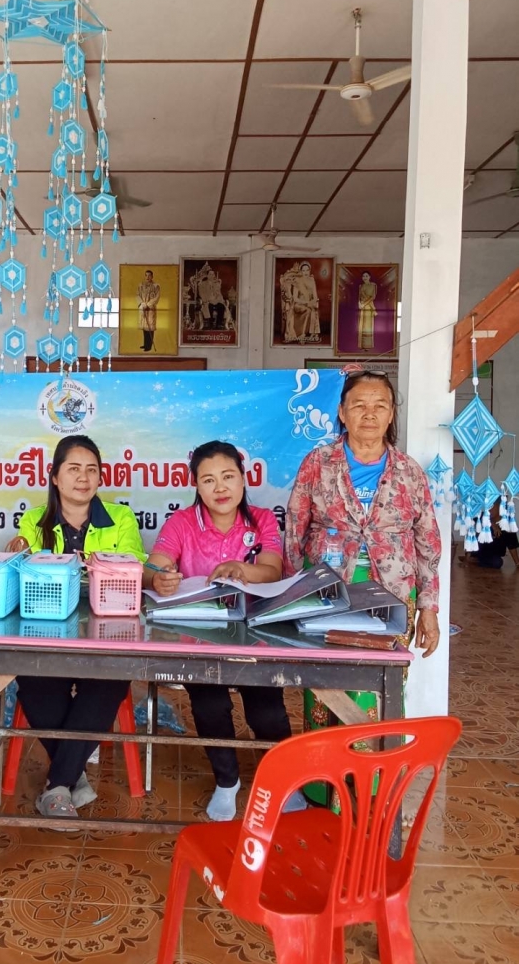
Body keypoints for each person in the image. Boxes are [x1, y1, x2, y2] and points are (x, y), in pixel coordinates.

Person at [143, 440, 299, 823]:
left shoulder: (262, 519)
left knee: (267, 712)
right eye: (208, 480)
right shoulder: (182, 523)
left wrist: (242, 570)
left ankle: (284, 782)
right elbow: (153, 567)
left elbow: (272, 571)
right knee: (210, 706)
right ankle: (227, 781)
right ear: (196, 485)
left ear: (244, 479)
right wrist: (159, 578)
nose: (220, 488)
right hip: (200, 637)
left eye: (228, 476)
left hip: (255, 635)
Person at [285, 370, 441, 750]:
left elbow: (428, 543)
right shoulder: (318, 462)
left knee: (380, 685)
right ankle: (323, 776)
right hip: (326, 593)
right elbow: (294, 527)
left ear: (391, 414)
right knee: (324, 686)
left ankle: (375, 775)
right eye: (359, 405)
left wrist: (429, 608)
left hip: (391, 597)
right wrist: (290, 597)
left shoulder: (409, 472)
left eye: (379, 405)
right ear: (342, 412)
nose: (369, 414)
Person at [6, 435, 146, 820]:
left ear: (100, 477)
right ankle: (71, 776)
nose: (83, 478)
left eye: (91, 470)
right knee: (33, 680)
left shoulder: (121, 518)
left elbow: (132, 566)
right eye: (73, 469)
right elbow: (26, 575)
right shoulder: (35, 521)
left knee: (110, 681)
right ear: (54, 476)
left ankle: (58, 784)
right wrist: (18, 554)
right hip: (47, 631)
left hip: (107, 630)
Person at [138, 269, 160, 352]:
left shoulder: (156, 286)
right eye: (146, 275)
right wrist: (142, 304)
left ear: (152, 276)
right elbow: (137, 295)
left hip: (150, 309)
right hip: (143, 308)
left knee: (150, 327)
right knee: (145, 327)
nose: (147, 277)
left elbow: (156, 298)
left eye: (149, 275)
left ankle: (149, 346)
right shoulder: (141, 286)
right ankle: (145, 344)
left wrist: (148, 304)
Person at [357, 271, 378, 350]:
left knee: (367, 327)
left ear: (369, 277)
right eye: (363, 276)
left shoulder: (373, 286)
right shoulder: (361, 286)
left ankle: (367, 346)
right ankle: (362, 345)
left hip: (369, 308)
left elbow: (372, 297)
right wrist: (359, 303)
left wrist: (364, 304)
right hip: (362, 308)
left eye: (366, 276)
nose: (365, 277)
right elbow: (359, 297)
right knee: (361, 326)